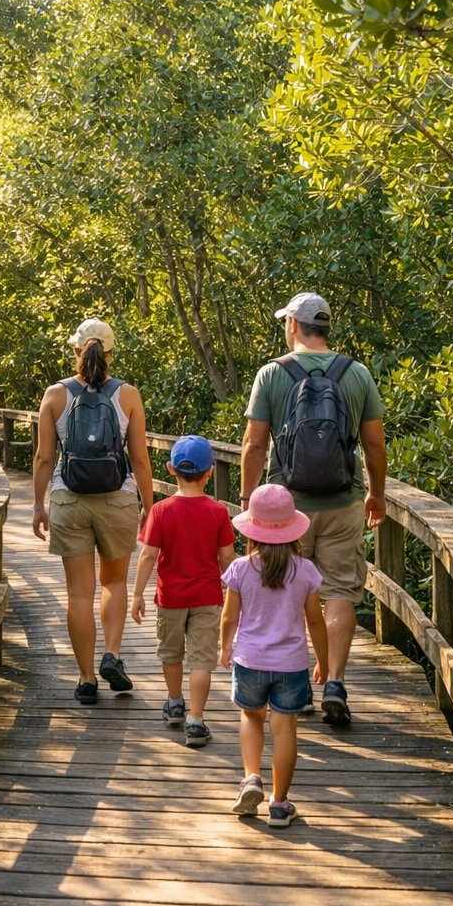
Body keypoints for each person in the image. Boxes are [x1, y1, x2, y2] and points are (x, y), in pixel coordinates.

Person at [240, 292, 386, 726]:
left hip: (285, 506)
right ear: (324, 328)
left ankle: (291, 683)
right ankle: (336, 681)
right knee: (340, 591)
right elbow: (375, 444)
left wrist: (250, 503)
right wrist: (375, 492)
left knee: (284, 587)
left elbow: (254, 443)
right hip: (343, 501)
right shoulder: (356, 373)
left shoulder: (272, 374)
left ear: (292, 326)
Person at [32, 318, 154, 705]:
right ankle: (112, 656)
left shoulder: (55, 395)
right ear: (111, 352)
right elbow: (138, 457)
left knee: (79, 594)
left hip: (69, 500)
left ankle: (86, 679)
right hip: (118, 499)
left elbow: (44, 457)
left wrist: (38, 504)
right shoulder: (128, 395)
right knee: (114, 583)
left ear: (75, 351)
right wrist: (150, 506)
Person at [220, 485, 329, 827]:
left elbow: (228, 617)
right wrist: (324, 662)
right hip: (291, 664)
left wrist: (225, 646)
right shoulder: (305, 571)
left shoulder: (240, 569)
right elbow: (315, 620)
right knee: (285, 730)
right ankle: (279, 805)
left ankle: (251, 777)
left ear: (251, 529)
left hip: (250, 659)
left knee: (251, 718)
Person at [129, 435, 236, 748]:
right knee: (202, 661)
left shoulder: (161, 511)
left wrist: (136, 594)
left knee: (171, 653)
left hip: (170, 598)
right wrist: (234, 590)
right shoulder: (217, 512)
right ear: (209, 472)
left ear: (170, 469)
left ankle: (175, 702)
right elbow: (227, 557)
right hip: (207, 597)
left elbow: (148, 555)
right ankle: (196, 720)